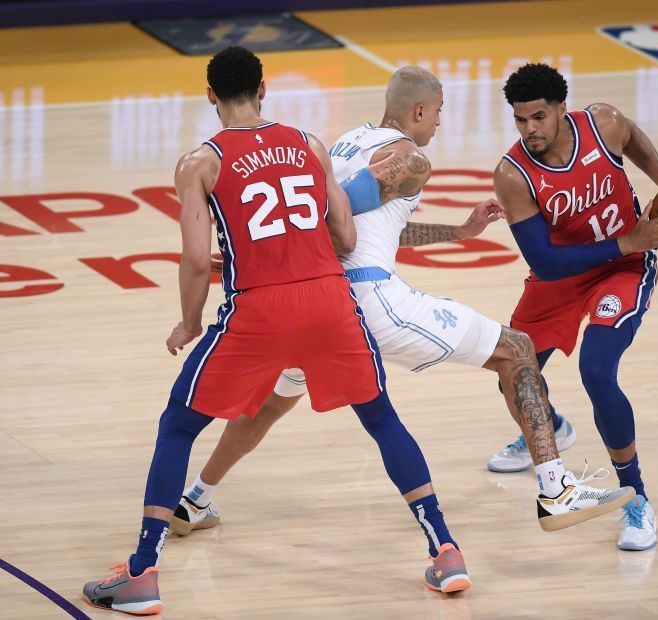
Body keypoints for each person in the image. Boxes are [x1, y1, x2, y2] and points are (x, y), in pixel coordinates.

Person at [170, 66, 633, 546]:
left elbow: (372, 227)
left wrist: (457, 232)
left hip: (313, 301)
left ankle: (196, 498)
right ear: (418, 110)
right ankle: (555, 489)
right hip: (367, 300)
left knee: (269, 405)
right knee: (516, 349)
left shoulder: (349, 141)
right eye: (438, 112)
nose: (438, 124)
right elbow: (327, 217)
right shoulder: (410, 160)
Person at [82, 48, 471, 616]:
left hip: (257, 312)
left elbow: (195, 261)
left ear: (210, 95)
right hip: (329, 302)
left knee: (179, 425)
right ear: (264, 89)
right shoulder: (309, 144)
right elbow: (343, 235)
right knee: (382, 418)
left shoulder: (200, 163)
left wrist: (190, 322)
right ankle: (446, 551)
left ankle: (142, 573)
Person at [490, 62, 658, 551]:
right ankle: (551, 427)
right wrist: (630, 239)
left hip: (621, 270)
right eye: (521, 121)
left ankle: (637, 500)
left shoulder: (604, 123)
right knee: (512, 370)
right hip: (565, 270)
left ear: (563, 108)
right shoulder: (513, 174)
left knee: (597, 369)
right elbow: (545, 261)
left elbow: (635, 138)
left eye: (539, 117)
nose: (530, 130)